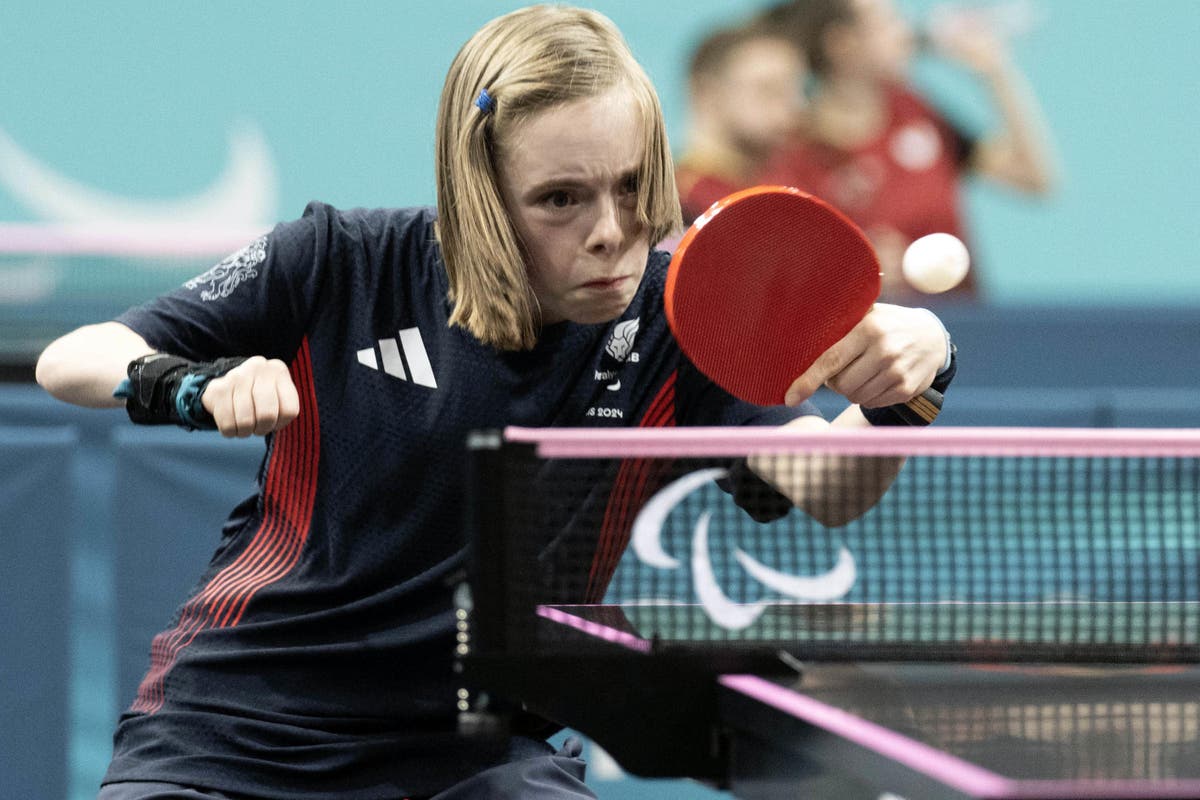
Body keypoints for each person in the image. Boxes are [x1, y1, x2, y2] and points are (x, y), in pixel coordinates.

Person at [35, 5, 954, 799]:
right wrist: (192, 387)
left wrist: (907, 391)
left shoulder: (677, 322)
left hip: (483, 746)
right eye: (561, 199)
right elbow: (75, 359)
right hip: (243, 725)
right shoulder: (341, 262)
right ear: (484, 195)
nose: (610, 234)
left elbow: (823, 486)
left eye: (633, 187)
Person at [760, 0, 1057, 302]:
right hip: (871, 340)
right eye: (888, 23)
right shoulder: (794, 151)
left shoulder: (914, 110)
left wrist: (995, 72)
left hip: (965, 326)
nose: (905, 32)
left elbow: (1033, 178)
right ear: (843, 44)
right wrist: (851, 269)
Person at [674, 22, 808, 225]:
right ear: (707, 93)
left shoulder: (791, 184)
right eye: (770, 89)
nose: (797, 105)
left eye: (798, 90)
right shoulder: (680, 201)